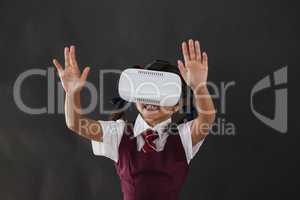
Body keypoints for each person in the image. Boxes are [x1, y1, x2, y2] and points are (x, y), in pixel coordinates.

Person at [52, 39, 216, 200]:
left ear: (176, 106)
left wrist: (199, 86)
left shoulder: (184, 137)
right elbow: (76, 123)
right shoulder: (118, 134)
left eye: (162, 93)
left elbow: (207, 118)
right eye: (145, 90)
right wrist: (72, 93)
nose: (152, 99)